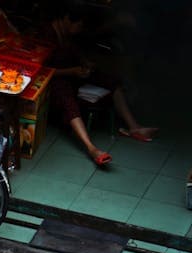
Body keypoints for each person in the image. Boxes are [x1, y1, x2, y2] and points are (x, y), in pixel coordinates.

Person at [40, 3, 158, 167]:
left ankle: (134, 127)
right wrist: (71, 71)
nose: (80, 28)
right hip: (54, 80)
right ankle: (92, 149)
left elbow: (75, 53)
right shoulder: (46, 34)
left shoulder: (69, 35)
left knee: (110, 81)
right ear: (67, 19)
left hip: (73, 73)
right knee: (67, 99)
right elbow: (41, 71)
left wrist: (84, 63)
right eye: (79, 24)